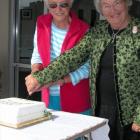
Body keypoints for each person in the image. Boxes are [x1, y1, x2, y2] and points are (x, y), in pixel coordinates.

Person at [25, 0, 140, 140]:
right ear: (101, 10)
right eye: (106, 5)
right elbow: (73, 57)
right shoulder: (99, 30)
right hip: (101, 109)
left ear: (127, 3)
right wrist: (40, 77)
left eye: (117, 3)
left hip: (132, 113)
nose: (112, 9)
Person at [30, 0, 92, 116]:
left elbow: (89, 67)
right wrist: (35, 73)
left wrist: (61, 80)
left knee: (77, 133)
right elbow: (37, 55)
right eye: (53, 5)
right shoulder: (41, 23)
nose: (58, 9)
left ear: (71, 4)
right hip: (48, 98)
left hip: (76, 99)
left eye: (63, 5)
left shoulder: (84, 29)